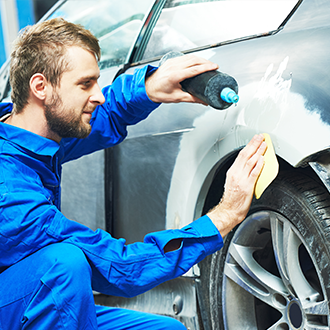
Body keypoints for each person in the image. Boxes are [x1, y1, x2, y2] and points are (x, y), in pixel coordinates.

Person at [0, 18, 266, 330]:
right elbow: (120, 267)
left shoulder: (25, 129)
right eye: (85, 84)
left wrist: (150, 87)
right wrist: (223, 217)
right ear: (40, 87)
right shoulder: (11, 194)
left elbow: (102, 115)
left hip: (24, 297)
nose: (98, 95)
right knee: (64, 266)